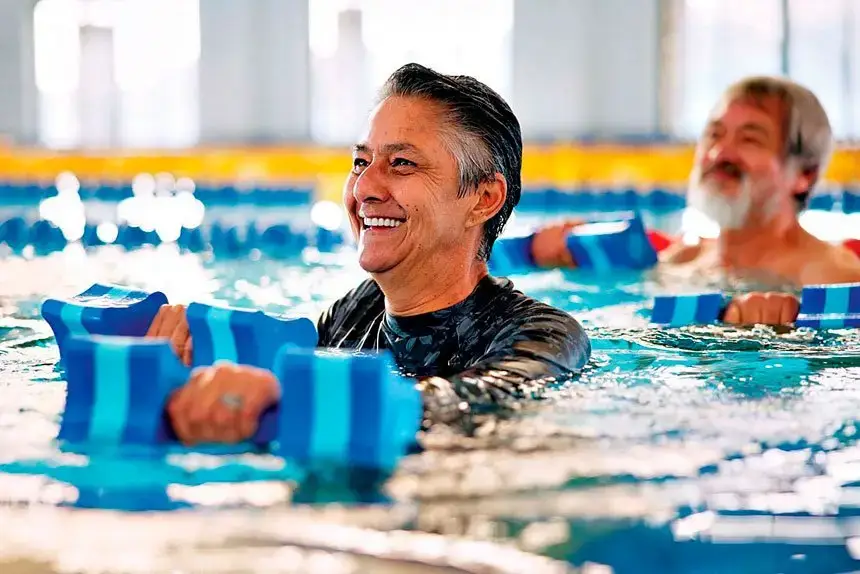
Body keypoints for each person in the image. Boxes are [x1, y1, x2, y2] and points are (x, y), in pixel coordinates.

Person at [146, 63, 592, 446]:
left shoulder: (545, 336)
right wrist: (202, 351)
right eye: (361, 162)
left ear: (483, 198)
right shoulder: (354, 314)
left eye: (401, 164)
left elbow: (471, 406)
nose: (364, 189)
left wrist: (292, 395)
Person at [529, 76, 860, 326]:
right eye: (714, 135)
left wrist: (789, 338)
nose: (719, 153)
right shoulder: (679, 259)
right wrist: (566, 257)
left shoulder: (834, 276)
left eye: (750, 139)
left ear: (803, 173)